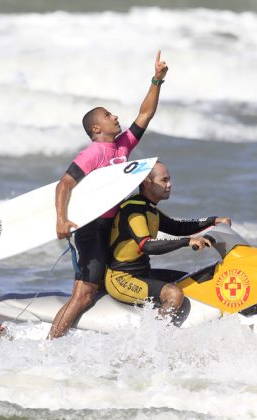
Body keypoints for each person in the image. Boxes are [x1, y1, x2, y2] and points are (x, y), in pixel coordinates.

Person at [48, 51, 169, 339]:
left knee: (107, 285)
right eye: (108, 115)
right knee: (85, 292)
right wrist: (61, 220)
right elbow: (64, 184)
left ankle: (96, 338)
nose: (115, 116)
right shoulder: (93, 153)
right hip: (92, 227)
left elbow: (145, 115)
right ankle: (50, 345)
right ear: (96, 128)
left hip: (116, 226)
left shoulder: (122, 146)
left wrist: (157, 80)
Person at [105, 161, 231, 316]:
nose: (170, 184)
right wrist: (187, 241)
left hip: (143, 273)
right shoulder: (134, 210)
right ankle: (156, 336)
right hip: (122, 279)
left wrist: (213, 221)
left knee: (195, 281)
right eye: (164, 180)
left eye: (169, 179)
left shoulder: (149, 208)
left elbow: (177, 227)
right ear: (147, 182)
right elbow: (147, 245)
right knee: (174, 294)